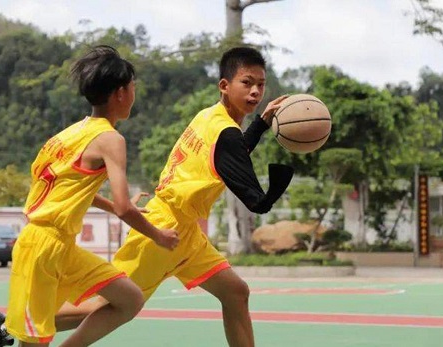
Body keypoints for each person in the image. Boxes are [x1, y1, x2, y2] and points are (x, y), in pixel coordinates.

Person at [54, 46, 294, 347]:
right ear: (224, 85)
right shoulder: (226, 132)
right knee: (105, 306)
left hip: (186, 232)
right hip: (163, 230)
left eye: (260, 84)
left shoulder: (209, 117)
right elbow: (257, 201)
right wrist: (281, 179)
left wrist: (260, 124)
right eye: (247, 83)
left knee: (235, 292)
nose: (255, 91)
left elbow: (230, 155)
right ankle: (14, 324)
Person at [0, 45, 179, 347]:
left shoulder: (67, 135)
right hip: (42, 248)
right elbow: (124, 208)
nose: (134, 94)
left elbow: (74, 191)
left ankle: (0, 329)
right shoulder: (110, 139)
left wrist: (113, 206)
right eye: (133, 87)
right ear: (120, 92)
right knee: (35, 339)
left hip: (61, 248)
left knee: (129, 299)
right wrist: (158, 235)